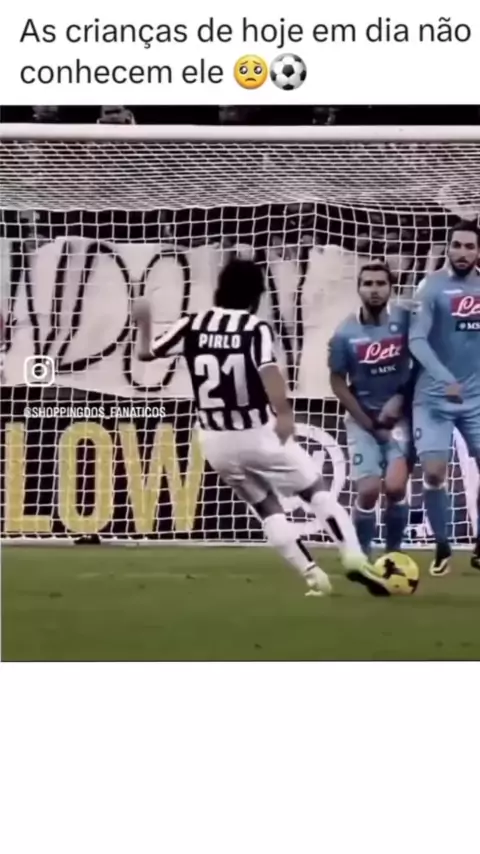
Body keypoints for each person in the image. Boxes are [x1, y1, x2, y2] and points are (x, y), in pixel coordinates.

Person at [133, 257, 370, 597]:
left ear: (220, 289)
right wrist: (284, 412)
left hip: (215, 441)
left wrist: (144, 322)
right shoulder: (254, 328)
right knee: (314, 490)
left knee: (266, 507)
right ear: (256, 294)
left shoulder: (191, 323)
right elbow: (267, 370)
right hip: (257, 433)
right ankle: (352, 555)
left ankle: (313, 576)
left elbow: (145, 354)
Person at [328, 260, 413, 560]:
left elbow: (421, 364)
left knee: (395, 487)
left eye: (380, 284)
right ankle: (361, 556)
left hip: (401, 419)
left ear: (391, 288)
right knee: (368, 490)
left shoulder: (406, 321)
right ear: (359, 289)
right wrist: (367, 421)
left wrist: (401, 399)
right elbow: (337, 381)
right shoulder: (344, 333)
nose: (374, 290)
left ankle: (394, 556)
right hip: (362, 421)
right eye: (368, 284)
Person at [409, 219, 480, 575]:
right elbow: (416, 339)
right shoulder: (430, 286)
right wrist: (444, 376)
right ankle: (442, 545)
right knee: (435, 473)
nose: (462, 252)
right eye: (457, 245)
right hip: (434, 396)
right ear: (448, 248)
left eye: (469, 246)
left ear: (478, 251)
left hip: (477, 397)